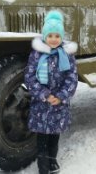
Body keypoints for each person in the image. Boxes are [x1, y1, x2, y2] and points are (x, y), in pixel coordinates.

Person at [24, 10, 78, 174]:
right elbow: (29, 77)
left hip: (59, 105)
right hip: (41, 104)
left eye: (57, 36)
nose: (53, 39)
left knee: (54, 136)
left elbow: (72, 77)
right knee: (42, 139)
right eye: (50, 35)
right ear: (44, 36)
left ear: (61, 37)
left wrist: (61, 96)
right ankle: (43, 168)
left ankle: (52, 162)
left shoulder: (66, 55)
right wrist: (44, 94)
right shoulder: (37, 54)